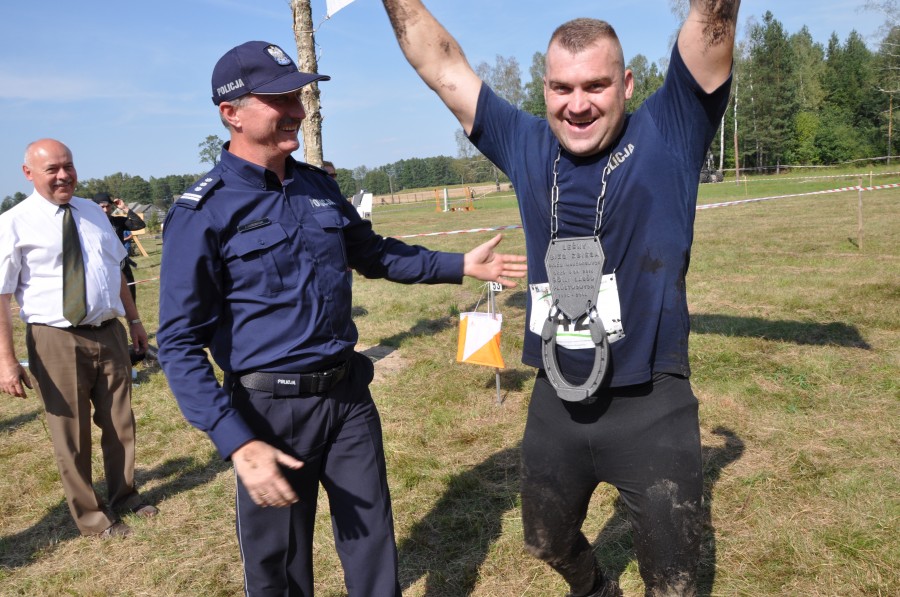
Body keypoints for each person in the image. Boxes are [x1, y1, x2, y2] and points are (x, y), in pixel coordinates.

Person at [380, 1, 740, 595]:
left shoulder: (671, 128)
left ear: (627, 84)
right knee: (544, 540)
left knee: (672, 581)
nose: (578, 104)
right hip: (557, 395)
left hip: (651, 403)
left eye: (596, 85)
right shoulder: (524, 142)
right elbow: (440, 64)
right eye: (562, 88)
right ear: (544, 87)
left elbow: (712, 22)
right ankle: (596, 589)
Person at [155, 40, 526, 596]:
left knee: (372, 541)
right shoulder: (203, 212)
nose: (297, 111)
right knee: (280, 564)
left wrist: (459, 265)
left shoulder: (317, 187)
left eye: (298, 96)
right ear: (231, 113)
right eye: (279, 99)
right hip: (268, 412)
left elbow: (372, 253)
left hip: (348, 396)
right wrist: (237, 441)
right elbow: (178, 344)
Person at [0, 139, 157, 538]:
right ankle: (93, 518)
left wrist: (134, 320)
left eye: (67, 166)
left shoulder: (91, 211)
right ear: (28, 173)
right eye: (52, 169)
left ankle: (125, 496)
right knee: (71, 434)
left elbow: (115, 270)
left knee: (120, 422)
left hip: (109, 332)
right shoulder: (13, 223)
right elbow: (1, 295)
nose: (63, 175)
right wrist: (6, 361)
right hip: (55, 339)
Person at [93, 192, 146, 302]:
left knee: (130, 298)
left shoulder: (118, 221)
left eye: (108, 206)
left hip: (121, 265)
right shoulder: (89, 224)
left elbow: (139, 224)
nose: (105, 210)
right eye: (102, 207)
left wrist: (124, 208)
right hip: (101, 267)